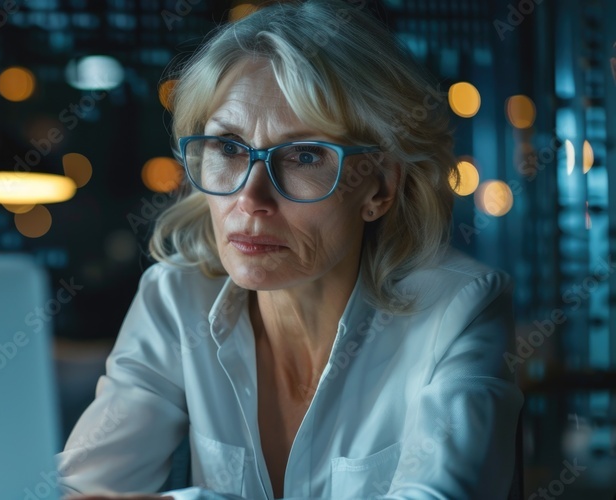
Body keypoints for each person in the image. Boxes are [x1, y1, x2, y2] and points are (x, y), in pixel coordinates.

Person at [57, 1, 524, 498]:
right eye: (229, 149)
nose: (250, 199)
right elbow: (77, 489)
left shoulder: (458, 313)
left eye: (304, 155)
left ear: (379, 189)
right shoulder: (175, 299)